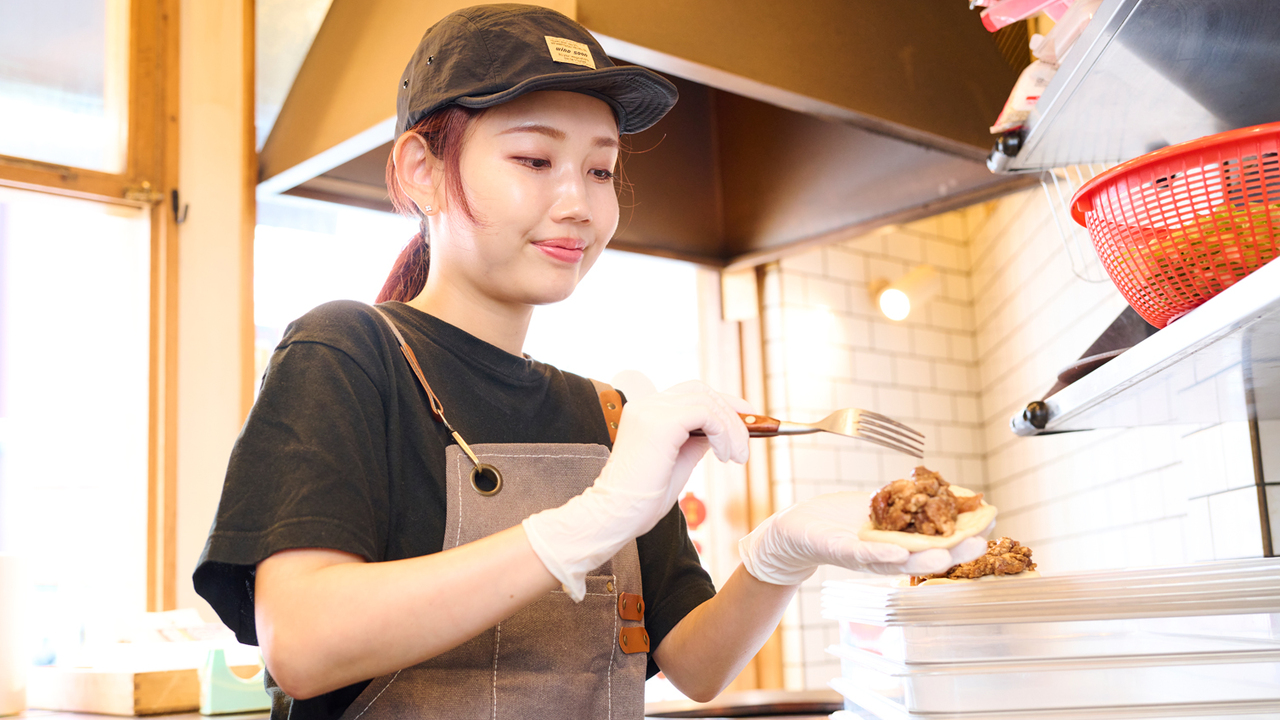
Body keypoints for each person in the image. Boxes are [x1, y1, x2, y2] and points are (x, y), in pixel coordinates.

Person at [193, 5, 987, 719]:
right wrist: (583, 525)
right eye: (535, 161)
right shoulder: (348, 353)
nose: (579, 202)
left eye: (601, 170)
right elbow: (301, 643)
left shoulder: (607, 416)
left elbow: (695, 663)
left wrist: (780, 552)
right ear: (421, 171)